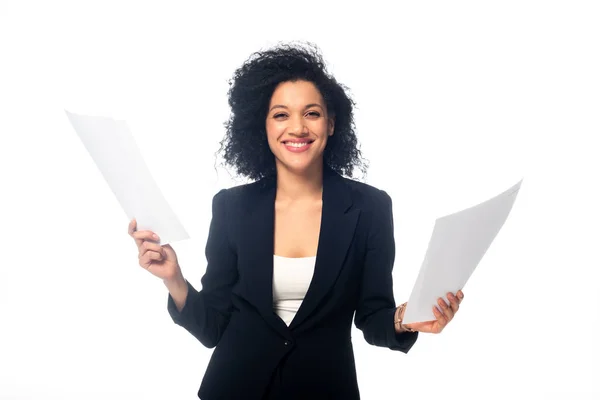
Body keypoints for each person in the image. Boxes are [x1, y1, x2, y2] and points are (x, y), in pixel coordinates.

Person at [128, 42, 464, 400]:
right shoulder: (231, 207)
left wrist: (405, 320)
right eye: (281, 114)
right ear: (263, 125)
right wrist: (174, 279)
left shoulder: (370, 208)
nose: (298, 128)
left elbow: (372, 315)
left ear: (332, 123)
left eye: (312, 113)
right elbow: (212, 328)